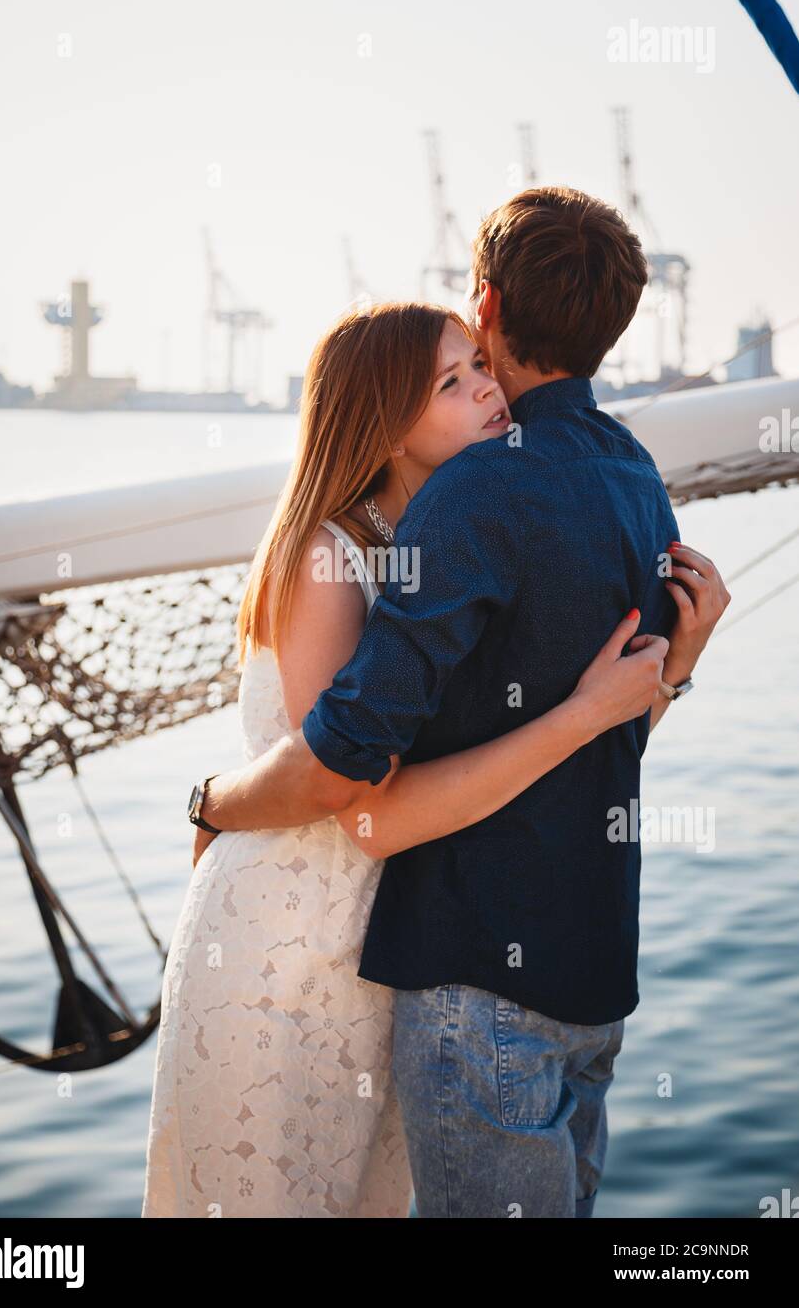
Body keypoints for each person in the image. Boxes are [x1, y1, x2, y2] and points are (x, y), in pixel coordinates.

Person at [185, 186, 731, 1219]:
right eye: (450, 380)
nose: (478, 389)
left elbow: (351, 763)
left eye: (475, 364)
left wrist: (205, 802)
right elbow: (598, 734)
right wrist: (668, 673)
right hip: (576, 967)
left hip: (473, 978)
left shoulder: (475, 492)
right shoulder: (632, 476)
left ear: (486, 302)